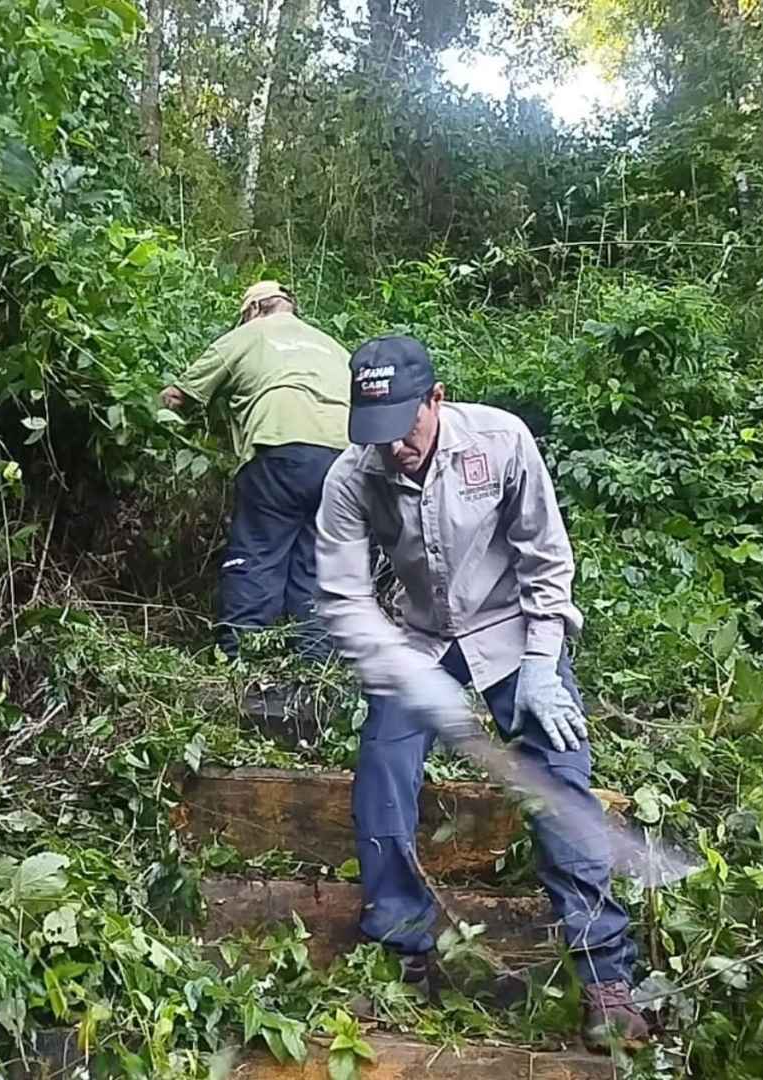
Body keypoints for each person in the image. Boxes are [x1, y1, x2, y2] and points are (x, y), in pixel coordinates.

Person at [311, 335, 649, 1050]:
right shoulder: (352, 476)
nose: (392, 447)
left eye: (404, 425)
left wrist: (543, 664)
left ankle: (603, 974)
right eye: (376, 431)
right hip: (418, 640)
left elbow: (546, 559)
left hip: (510, 629)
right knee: (382, 770)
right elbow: (343, 598)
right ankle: (404, 945)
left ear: (435, 399)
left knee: (557, 770)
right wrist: (405, 674)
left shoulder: (500, 441)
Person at [160, 281, 349, 666]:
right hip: (346, 461)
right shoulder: (333, 346)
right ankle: (314, 671)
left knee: (257, 554)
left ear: (254, 310)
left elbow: (178, 397)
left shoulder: (248, 334)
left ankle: (239, 663)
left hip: (281, 446)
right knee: (317, 564)